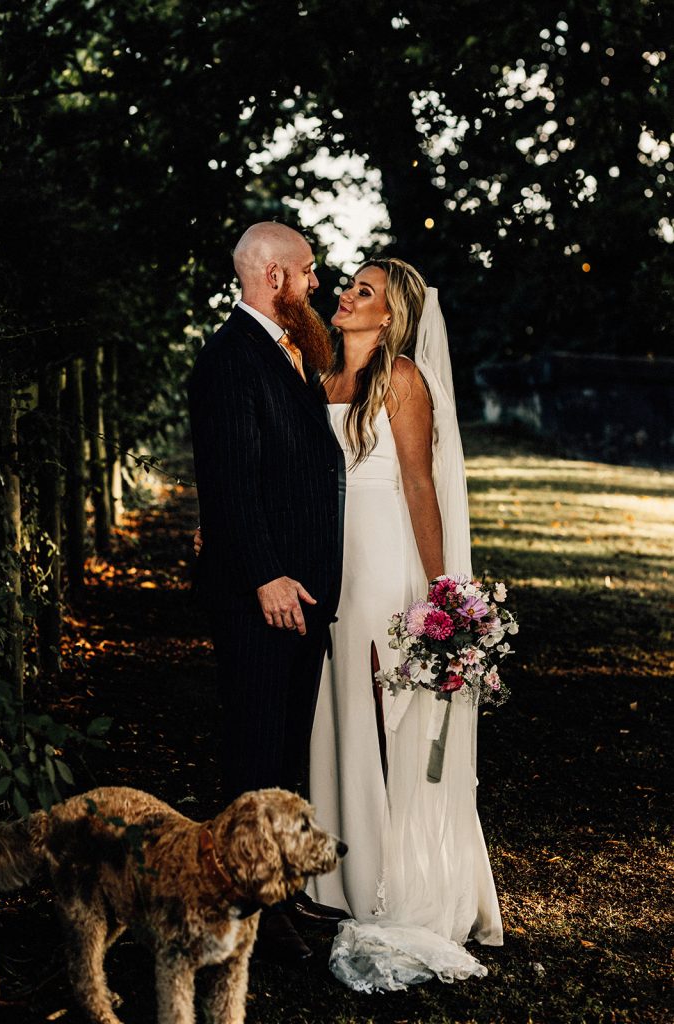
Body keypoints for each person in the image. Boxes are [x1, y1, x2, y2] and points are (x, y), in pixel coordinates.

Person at [307, 258, 504, 990]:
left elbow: (420, 483)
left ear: (389, 315)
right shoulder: (319, 371)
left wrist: (441, 593)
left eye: (364, 291)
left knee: (384, 712)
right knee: (338, 711)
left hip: (385, 561)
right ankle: (338, 872)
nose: (346, 296)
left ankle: (392, 878)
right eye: (348, 286)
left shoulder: (404, 381)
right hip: (332, 562)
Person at [188, 222, 347, 966]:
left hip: (302, 591)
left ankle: (272, 898)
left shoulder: (288, 352)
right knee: (253, 754)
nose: (318, 283)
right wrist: (264, 574)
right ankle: (239, 908)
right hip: (265, 593)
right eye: (309, 272)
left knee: (282, 752)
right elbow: (228, 484)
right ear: (275, 276)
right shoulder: (228, 359)